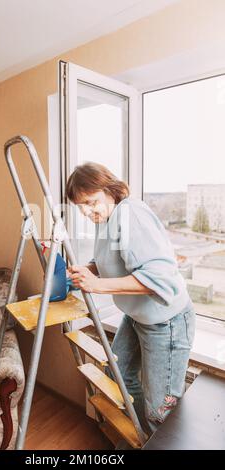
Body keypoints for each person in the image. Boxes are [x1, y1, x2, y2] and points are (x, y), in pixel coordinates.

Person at [66, 162, 196, 437]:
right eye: (81, 207)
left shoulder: (131, 214)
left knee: (160, 409)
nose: (87, 212)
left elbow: (158, 277)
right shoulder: (106, 218)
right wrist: (86, 271)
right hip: (138, 317)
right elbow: (110, 260)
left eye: (91, 202)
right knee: (119, 376)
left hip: (167, 322)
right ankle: (144, 438)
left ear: (110, 189)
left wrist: (98, 285)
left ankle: (156, 437)